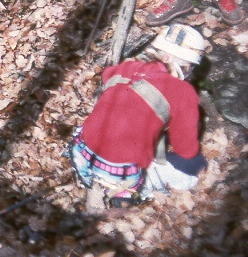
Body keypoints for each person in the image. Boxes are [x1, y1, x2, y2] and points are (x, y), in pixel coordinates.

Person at [64, 24, 209, 210]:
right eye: (186, 67)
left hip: (82, 154)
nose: (187, 73)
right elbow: (186, 150)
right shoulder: (183, 91)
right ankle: (136, 189)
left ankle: (94, 180)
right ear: (167, 58)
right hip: (118, 173)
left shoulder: (126, 67)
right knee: (196, 164)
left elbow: (107, 76)